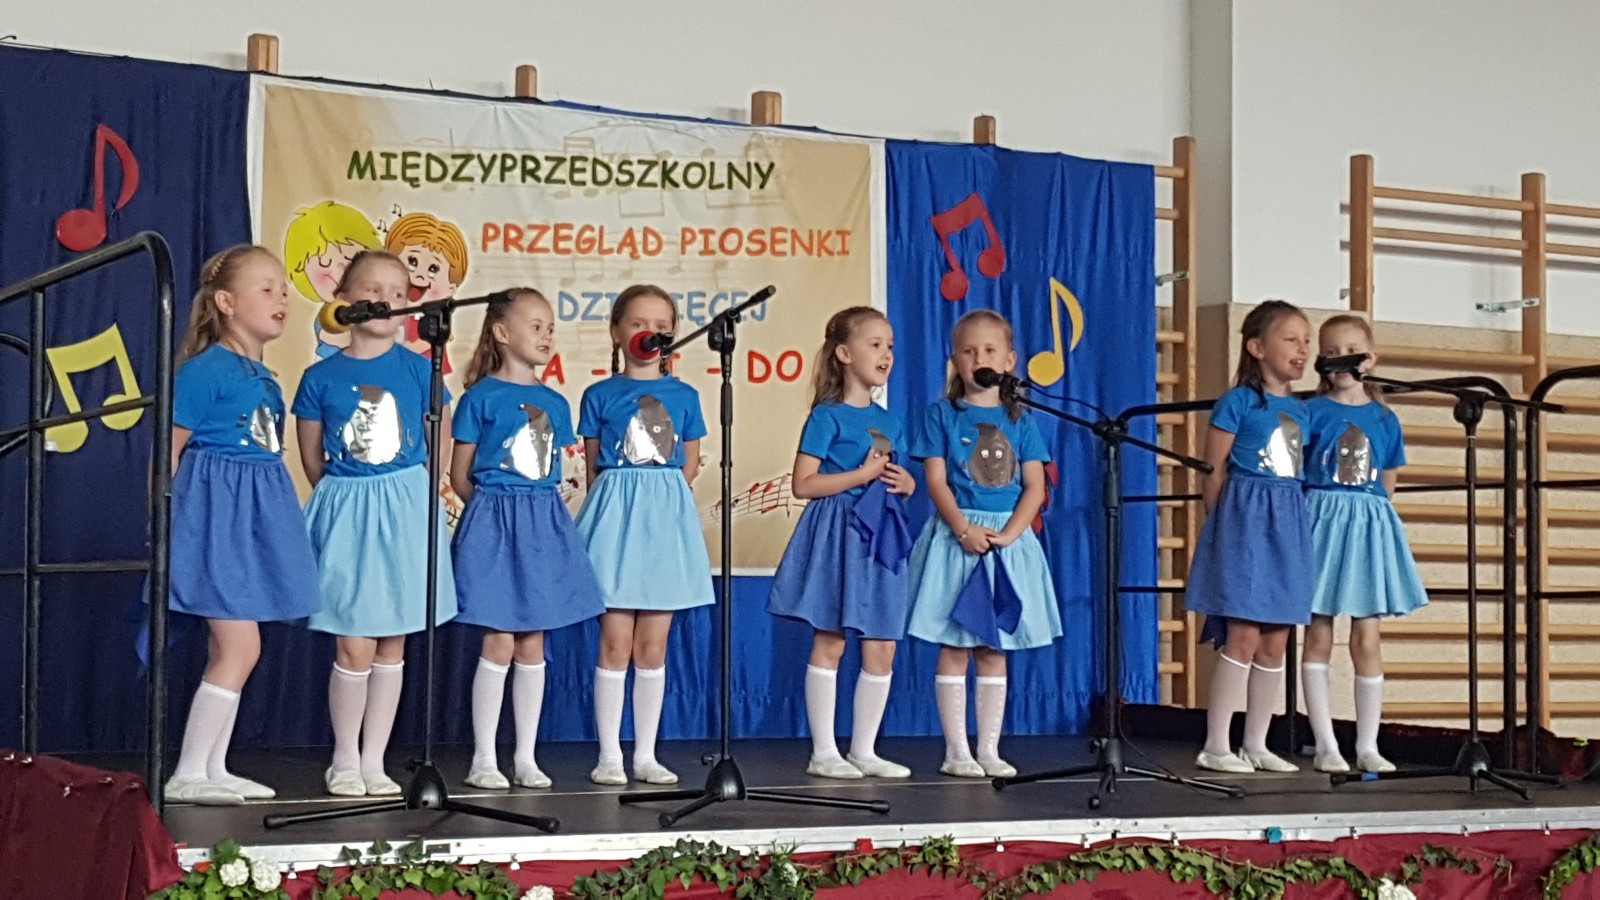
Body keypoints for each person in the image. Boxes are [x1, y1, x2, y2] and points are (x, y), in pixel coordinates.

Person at [292, 249, 457, 797]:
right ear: (343, 299)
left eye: (398, 292)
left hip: (405, 504)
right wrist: (352, 495)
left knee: (392, 642)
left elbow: (438, 444)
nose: (387, 300)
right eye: (373, 290)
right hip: (349, 507)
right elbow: (312, 458)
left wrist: (409, 491)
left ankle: (374, 760)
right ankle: (344, 758)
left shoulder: (421, 369)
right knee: (353, 643)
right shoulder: (320, 377)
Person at [163, 244, 321, 805]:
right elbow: (168, 453)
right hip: (216, 524)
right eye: (266, 289)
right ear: (226, 302)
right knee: (239, 647)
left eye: (284, 289)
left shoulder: (263, 376)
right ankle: (188, 773)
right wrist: (167, 526)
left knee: (235, 648)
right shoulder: (204, 371)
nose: (282, 298)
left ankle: (212, 766)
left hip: (250, 522)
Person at [451, 288, 608, 790]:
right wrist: (494, 516)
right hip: (494, 522)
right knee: (498, 637)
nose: (546, 335)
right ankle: (483, 758)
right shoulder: (478, 398)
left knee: (533, 642)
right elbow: (460, 476)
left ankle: (525, 756)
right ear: (502, 333)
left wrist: (534, 515)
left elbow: (557, 469)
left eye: (550, 327)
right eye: (535, 326)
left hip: (542, 523)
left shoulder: (555, 403)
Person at [906, 310, 1061, 779]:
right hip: (958, 537)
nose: (979, 359)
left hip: (1006, 540)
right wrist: (962, 529)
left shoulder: (1022, 420)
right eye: (969, 351)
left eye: (990, 350)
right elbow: (937, 481)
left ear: (1010, 360)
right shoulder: (941, 415)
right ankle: (957, 751)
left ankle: (989, 749)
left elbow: (1034, 486)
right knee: (955, 644)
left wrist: (1011, 534)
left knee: (994, 648)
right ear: (955, 359)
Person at [767, 306, 918, 779]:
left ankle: (864, 750)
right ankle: (824, 751)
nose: (886, 354)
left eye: (890, 346)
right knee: (830, 638)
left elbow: (889, 474)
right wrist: (862, 474)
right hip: (837, 531)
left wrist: (905, 483)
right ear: (844, 353)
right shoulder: (826, 417)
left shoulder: (890, 420)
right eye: (875, 344)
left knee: (882, 644)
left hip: (879, 534)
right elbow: (804, 484)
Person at [574, 284, 714, 786]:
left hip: (664, 521)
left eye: (660, 325)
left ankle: (647, 754)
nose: (648, 333)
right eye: (637, 323)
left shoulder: (686, 396)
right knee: (615, 644)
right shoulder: (599, 395)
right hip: (615, 519)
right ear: (617, 331)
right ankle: (609, 754)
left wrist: (660, 495)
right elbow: (594, 466)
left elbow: (690, 462)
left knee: (653, 646)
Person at [1187, 299, 1314, 775]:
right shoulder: (1237, 402)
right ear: (1257, 347)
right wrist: (1222, 527)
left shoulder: (1302, 411)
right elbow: (1214, 469)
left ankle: (1256, 743)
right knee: (1241, 635)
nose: (1302, 349)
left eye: (1306, 341)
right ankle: (1217, 744)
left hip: (1287, 525)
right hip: (1244, 523)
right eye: (1291, 339)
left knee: (1275, 640)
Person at [1300, 314, 1426, 774]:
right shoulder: (1311, 412)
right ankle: (1326, 743)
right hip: (1320, 520)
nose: (1340, 360)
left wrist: (1368, 517)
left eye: (1350, 351)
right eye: (1330, 352)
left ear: (1370, 359)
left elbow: (1388, 479)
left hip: (1367, 524)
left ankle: (1368, 744)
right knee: (1317, 631)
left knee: (1367, 636)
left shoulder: (1385, 418)